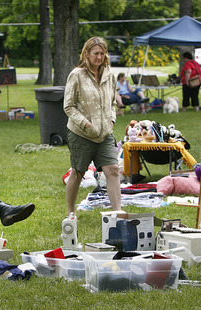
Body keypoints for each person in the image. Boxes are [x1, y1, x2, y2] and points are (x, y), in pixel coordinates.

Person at [63, 36, 122, 215]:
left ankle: (118, 213)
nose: (99, 57)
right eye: (96, 53)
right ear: (86, 54)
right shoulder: (76, 75)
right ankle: (71, 212)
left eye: (102, 54)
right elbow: (69, 106)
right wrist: (86, 124)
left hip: (105, 134)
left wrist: (112, 120)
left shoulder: (109, 75)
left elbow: (112, 102)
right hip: (82, 134)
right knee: (78, 172)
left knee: (112, 170)